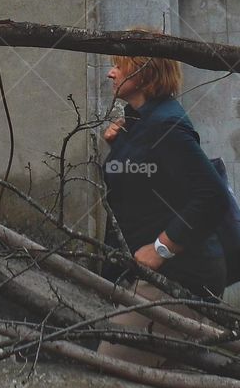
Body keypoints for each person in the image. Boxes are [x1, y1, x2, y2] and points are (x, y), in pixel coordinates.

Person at [98, 33, 231, 365]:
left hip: (178, 276)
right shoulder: (140, 121)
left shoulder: (166, 125)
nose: (110, 73)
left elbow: (212, 196)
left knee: (111, 365)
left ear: (144, 71)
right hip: (149, 274)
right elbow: (151, 184)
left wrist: (161, 248)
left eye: (118, 65)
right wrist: (120, 147)